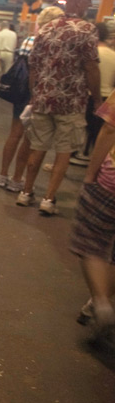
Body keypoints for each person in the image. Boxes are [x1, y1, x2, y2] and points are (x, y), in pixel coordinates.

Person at [15, 0, 100, 216]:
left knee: (38, 146)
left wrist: (35, 94)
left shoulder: (46, 28)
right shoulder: (86, 30)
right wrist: (97, 99)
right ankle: (48, 199)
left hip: (43, 99)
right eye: (89, 1)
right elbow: (91, 67)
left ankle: (26, 192)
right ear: (81, 1)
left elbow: (33, 66)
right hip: (71, 103)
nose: (90, 5)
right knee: (63, 151)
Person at [0, 7, 65, 192]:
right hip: (37, 91)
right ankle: (17, 179)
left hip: (21, 89)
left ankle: (3, 175)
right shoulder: (51, 41)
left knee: (14, 133)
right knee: (28, 138)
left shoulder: (29, 39)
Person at [70, 95, 115, 334]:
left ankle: (100, 301)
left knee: (92, 241)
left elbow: (109, 129)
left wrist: (90, 174)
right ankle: (98, 301)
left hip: (111, 182)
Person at [70, 22, 115, 166]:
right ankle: (97, 165)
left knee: (76, 130)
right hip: (107, 98)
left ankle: (70, 157)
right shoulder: (113, 55)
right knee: (98, 134)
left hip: (87, 96)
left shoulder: (91, 54)